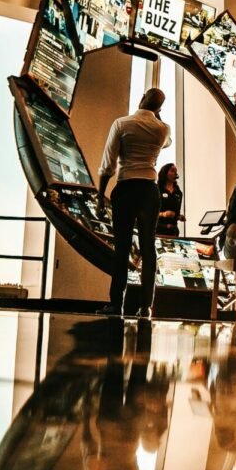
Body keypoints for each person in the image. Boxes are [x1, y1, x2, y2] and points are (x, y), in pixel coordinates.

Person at [97, 87, 170, 318]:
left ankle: (116, 303)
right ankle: (146, 305)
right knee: (148, 248)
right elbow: (167, 143)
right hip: (150, 190)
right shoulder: (162, 129)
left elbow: (108, 163)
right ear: (159, 109)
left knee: (122, 247)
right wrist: (157, 116)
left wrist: (100, 196)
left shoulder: (121, 124)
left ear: (141, 99)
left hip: (126, 187)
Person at [156, 162, 185, 237]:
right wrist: (163, 214)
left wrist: (179, 217)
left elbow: (176, 213)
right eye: (172, 170)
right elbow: (149, 212)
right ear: (165, 173)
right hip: (158, 230)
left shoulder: (178, 193)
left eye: (176, 171)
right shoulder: (156, 190)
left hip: (173, 231)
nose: (175, 173)